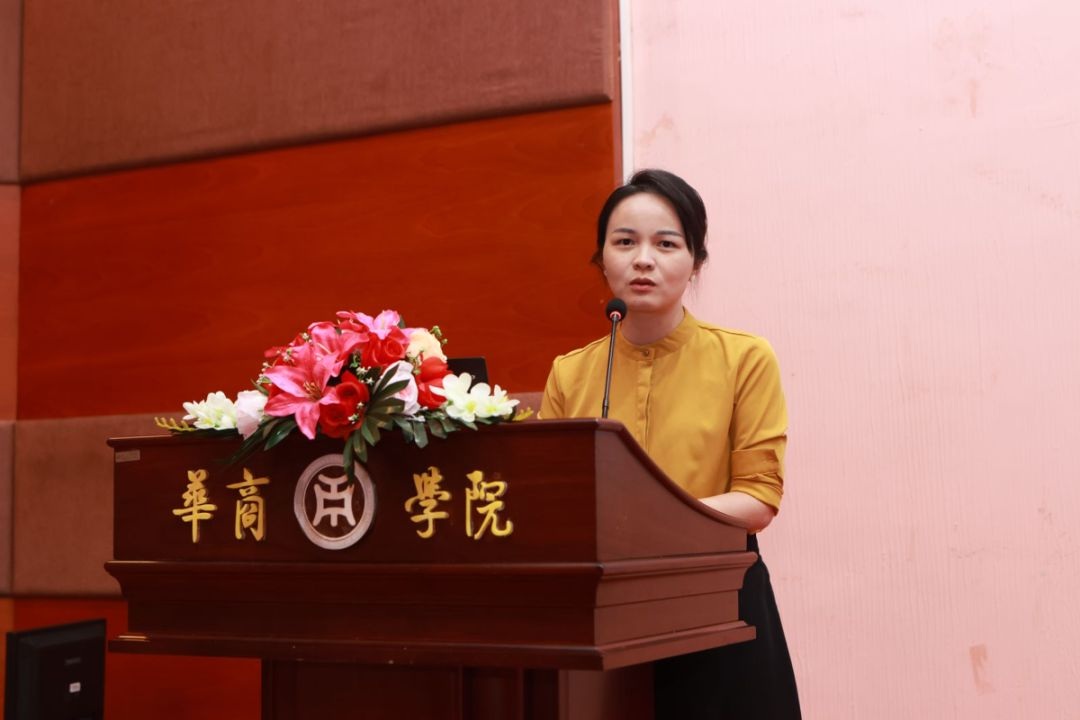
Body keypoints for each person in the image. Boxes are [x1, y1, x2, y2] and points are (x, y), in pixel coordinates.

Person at [539, 169, 801, 719]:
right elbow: (553, 501)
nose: (643, 260)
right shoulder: (571, 372)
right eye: (624, 242)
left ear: (695, 260)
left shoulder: (744, 358)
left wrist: (651, 524)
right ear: (602, 259)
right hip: (603, 610)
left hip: (718, 601)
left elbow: (758, 498)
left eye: (665, 244)